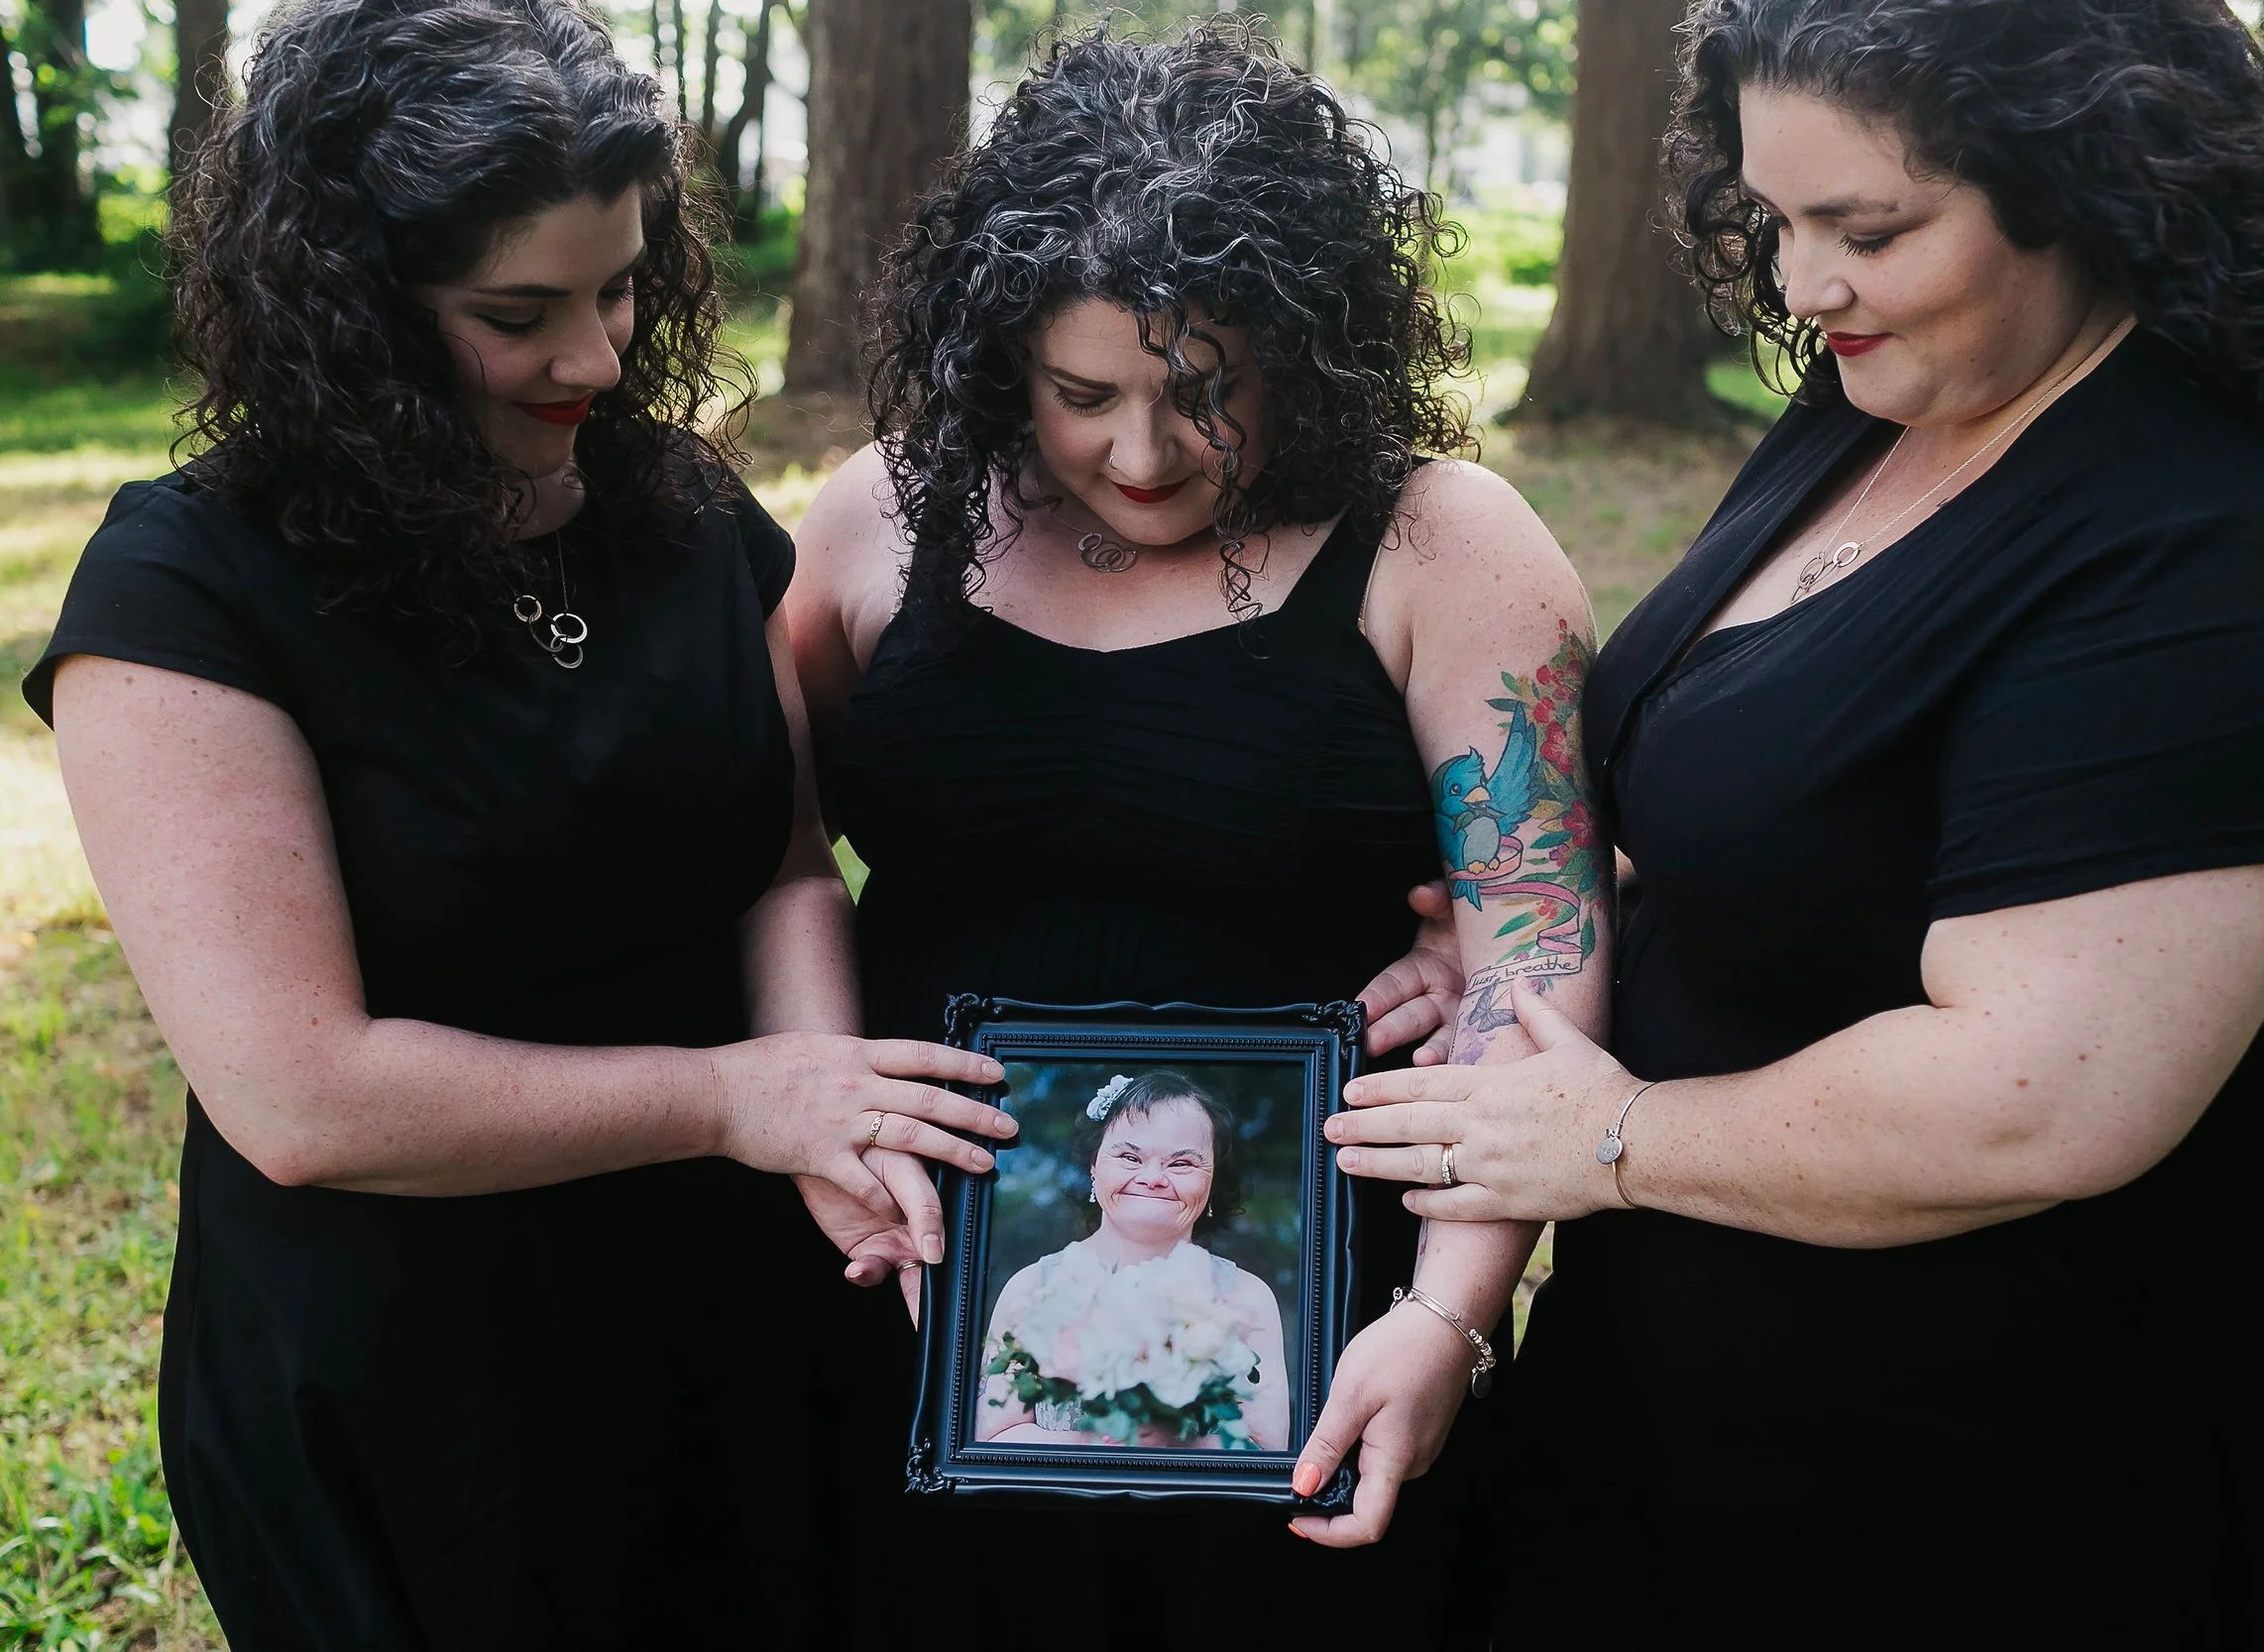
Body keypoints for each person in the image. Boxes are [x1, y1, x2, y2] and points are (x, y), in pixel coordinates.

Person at [1330, 1, 2264, 1645]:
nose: (1800, 284)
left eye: (1867, 228)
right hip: (1700, 1442)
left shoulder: (2243, 539)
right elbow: (1807, 776)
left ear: (2084, 180)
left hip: (2032, 1488)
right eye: (1781, 219)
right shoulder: (1898, 396)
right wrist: (1574, 939)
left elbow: (2039, 1098)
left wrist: (1608, 1138)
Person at [24, 0, 1021, 1642]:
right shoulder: (187, 590)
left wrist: (825, 1113)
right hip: (424, 1348)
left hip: (729, 1288)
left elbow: (777, 858)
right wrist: (733, 1098)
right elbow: (304, 1094)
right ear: (344, 310)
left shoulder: (682, 511)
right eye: (518, 312)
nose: (599, 358)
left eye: (623, 285)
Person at [783, 19, 1610, 1648]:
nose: (1144, 455)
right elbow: (776, 847)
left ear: (1305, 341)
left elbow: (1542, 945)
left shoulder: (1443, 541)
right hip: (917, 1251)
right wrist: (817, 1098)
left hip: (1315, 1297)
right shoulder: (875, 516)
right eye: (1082, 394)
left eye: (1204, 392)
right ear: (999, 343)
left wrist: (1454, 1307)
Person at [977, 1071, 1289, 1452]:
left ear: (1213, 1182)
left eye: (1182, 1164)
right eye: (1129, 1157)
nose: (1153, 1177)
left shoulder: (1246, 1298)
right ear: (1094, 1166)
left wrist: (1173, 1446)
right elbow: (993, 1438)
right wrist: (1103, 1444)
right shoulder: (1033, 1287)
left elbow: (1265, 1447)